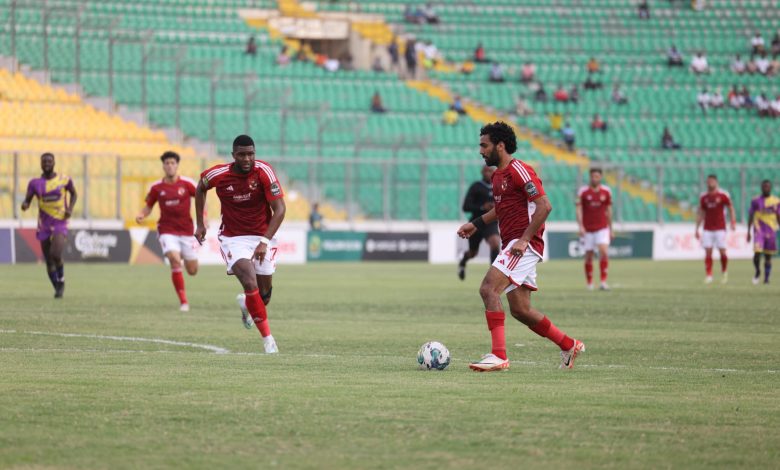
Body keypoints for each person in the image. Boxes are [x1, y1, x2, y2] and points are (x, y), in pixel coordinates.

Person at [456, 122, 584, 372]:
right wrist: (476, 224)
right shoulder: (497, 177)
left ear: (500, 146)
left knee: (488, 289)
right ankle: (569, 345)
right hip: (513, 243)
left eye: (484, 145)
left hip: (522, 244)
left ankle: (499, 355)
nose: (480, 151)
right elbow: (501, 210)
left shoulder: (520, 170)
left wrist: (524, 239)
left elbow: (544, 205)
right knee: (521, 310)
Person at [195, 135, 286, 353]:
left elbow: (280, 209)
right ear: (233, 155)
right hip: (233, 238)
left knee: (264, 297)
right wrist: (200, 223)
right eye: (242, 155)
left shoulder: (264, 171)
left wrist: (264, 241)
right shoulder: (219, 174)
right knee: (249, 280)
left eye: (251, 154)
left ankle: (247, 304)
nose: (247, 159)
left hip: (262, 235)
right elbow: (200, 188)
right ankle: (269, 342)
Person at [135, 151, 199, 312]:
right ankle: (184, 302)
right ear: (163, 166)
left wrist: (203, 216)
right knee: (175, 261)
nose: (170, 165)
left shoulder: (187, 183)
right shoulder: (157, 187)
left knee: (192, 270)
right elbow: (149, 206)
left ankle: (182, 254)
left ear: (177, 165)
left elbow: (201, 199)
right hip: (166, 230)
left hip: (186, 231)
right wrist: (142, 214)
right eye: (167, 163)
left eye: (173, 163)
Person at [21, 152, 77, 299]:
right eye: (44, 161)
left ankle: (62, 281)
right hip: (44, 224)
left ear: (54, 163)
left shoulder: (64, 180)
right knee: (48, 258)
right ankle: (57, 287)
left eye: (49, 161)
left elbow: (74, 194)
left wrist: (70, 209)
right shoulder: (34, 183)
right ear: (40, 163)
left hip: (60, 221)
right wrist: (25, 204)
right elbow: (27, 199)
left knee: (56, 254)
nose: (46, 163)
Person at [458, 166, 501, 281]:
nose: (488, 173)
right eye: (486, 171)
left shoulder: (499, 186)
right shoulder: (476, 186)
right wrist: (483, 207)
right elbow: (465, 207)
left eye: (490, 171)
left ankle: (493, 274)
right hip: (475, 223)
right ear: (482, 172)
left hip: (490, 222)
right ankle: (463, 261)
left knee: (495, 243)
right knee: (473, 253)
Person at [695, 175, 736, 284]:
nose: (710, 183)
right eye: (708, 181)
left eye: (712, 181)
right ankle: (709, 275)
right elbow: (701, 213)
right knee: (708, 252)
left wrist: (732, 221)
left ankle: (724, 272)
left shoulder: (723, 195)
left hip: (720, 228)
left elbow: (730, 207)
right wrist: (697, 228)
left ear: (716, 182)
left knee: (722, 251)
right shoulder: (704, 197)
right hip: (707, 228)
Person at [576, 169, 613, 291]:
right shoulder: (583, 192)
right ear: (590, 177)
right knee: (589, 255)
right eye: (593, 176)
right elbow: (579, 209)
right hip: (587, 229)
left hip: (602, 227)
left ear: (601, 177)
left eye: (597, 176)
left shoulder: (606, 191)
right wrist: (580, 226)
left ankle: (603, 282)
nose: (595, 178)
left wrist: (611, 228)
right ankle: (590, 283)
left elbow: (609, 210)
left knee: (604, 251)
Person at [747, 180, 780, 284]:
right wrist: (748, 231)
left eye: (767, 186)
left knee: (768, 256)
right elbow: (751, 215)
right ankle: (757, 271)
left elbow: (778, 216)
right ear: (761, 188)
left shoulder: (776, 201)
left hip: (771, 230)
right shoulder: (756, 200)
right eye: (764, 186)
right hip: (759, 229)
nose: (766, 188)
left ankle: (766, 278)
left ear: (770, 188)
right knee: (757, 252)